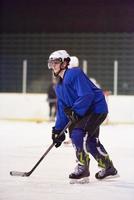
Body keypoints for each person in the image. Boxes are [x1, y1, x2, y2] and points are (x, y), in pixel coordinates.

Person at [48, 50, 118, 183]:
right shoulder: (59, 86)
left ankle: (83, 168)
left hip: (95, 109)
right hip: (86, 112)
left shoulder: (74, 73)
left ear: (65, 63)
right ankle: (108, 167)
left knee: (77, 134)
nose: (53, 66)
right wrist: (57, 130)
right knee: (91, 141)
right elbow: (63, 110)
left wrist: (76, 111)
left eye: (56, 62)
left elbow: (87, 95)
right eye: (51, 63)